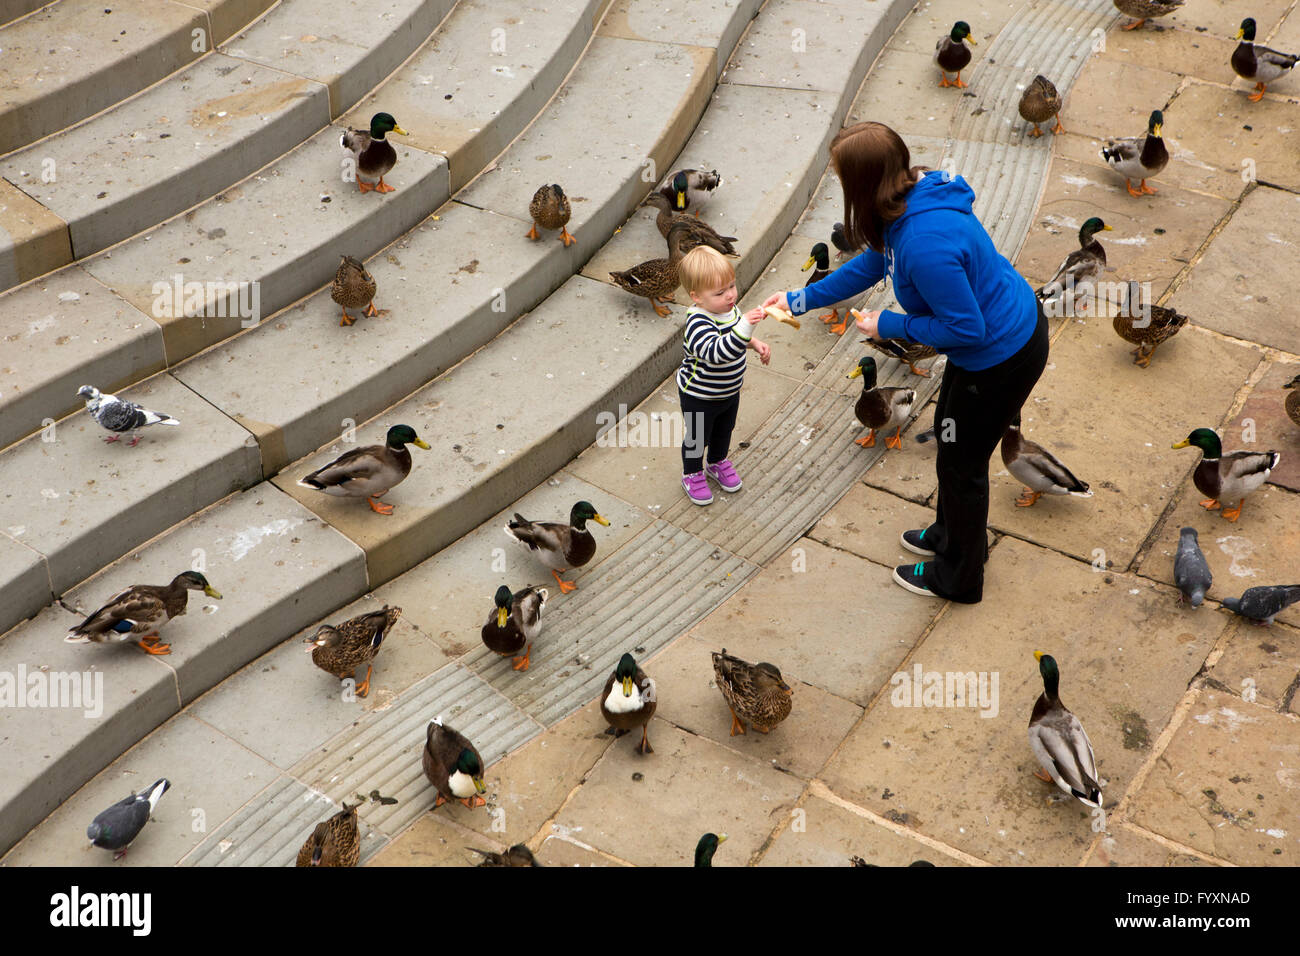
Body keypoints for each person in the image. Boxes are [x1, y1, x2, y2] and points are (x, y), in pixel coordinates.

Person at [764, 121, 1047, 603]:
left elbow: (965, 328)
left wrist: (889, 326)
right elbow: (876, 262)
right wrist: (802, 298)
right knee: (949, 432)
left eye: (841, 179)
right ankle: (952, 536)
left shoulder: (924, 245)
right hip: (992, 345)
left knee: (964, 466)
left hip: (1001, 356)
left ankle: (958, 578)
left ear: (862, 184)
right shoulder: (910, 195)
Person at [676, 245, 772, 505]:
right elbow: (718, 352)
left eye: (731, 285)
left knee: (723, 430)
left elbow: (737, 335)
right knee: (697, 437)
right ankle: (692, 473)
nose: (730, 295)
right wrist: (745, 327)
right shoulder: (697, 323)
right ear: (697, 297)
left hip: (729, 390)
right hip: (699, 394)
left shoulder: (730, 310)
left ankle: (716, 462)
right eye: (720, 292)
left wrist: (755, 343)